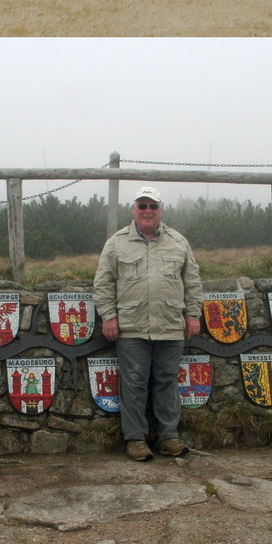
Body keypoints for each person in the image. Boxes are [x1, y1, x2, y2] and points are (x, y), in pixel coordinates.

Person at [93, 186, 203, 461]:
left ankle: (168, 437)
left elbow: (192, 280)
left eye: (152, 206)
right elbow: (103, 283)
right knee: (133, 384)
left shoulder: (178, 241)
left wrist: (193, 314)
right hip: (131, 327)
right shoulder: (117, 243)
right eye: (142, 206)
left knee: (167, 382)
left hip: (169, 326)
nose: (147, 211)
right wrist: (108, 315)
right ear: (134, 210)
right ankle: (135, 439)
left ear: (160, 210)